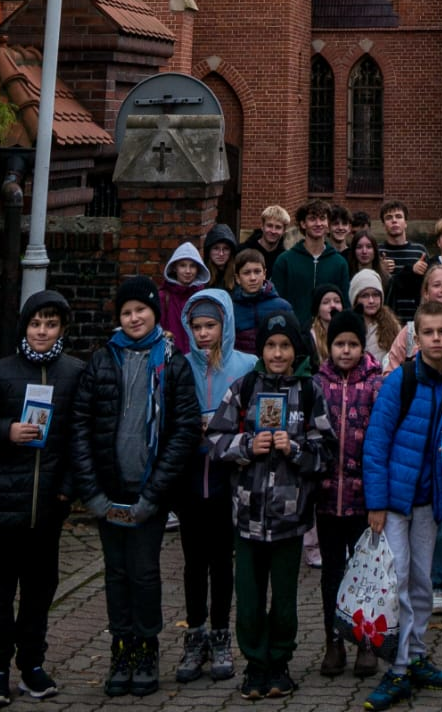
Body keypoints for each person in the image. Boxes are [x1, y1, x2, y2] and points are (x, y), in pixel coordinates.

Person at [72, 275, 203, 699]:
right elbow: (82, 427)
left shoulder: (173, 362)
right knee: (117, 573)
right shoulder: (101, 361)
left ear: (154, 314)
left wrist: (156, 495)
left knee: (144, 573)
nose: (133, 318)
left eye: (140, 311)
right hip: (109, 490)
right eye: (126, 312)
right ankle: (121, 647)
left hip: (149, 491)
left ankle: (146, 649)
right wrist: (91, 492)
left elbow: (184, 431)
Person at [0, 289, 86, 708]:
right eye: (36, 323)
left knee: (39, 590)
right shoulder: (2, 372)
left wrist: (68, 488)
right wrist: (7, 432)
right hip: (2, 505)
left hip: (48, 506)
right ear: (25, 327)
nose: (42, 331)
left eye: (51, 324)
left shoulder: (75, 373)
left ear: (62, 330)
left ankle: (32, 664)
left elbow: (78, 438)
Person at [207, 308, 332, 702]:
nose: (278, 353)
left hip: (290, 517)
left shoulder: (310, 392)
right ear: (261, 349)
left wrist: (294, 448)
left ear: (296, 350)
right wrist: (246, 445)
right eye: (271, 346)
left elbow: (326, 450)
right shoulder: (244, 388)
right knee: (248, 596)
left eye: (285, 346)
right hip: (246, 516)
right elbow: (214, 440)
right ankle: (254, 664)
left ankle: (280, 662)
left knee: (285, 600)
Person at [361, 298, 442, 710]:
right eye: (428, 333)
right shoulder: (401, 381)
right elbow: (376, 443)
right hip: (394, 500)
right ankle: (398, 667)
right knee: (400, 582)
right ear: (416, 337)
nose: (437, 339)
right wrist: (376, 502)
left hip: (431, 500)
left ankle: (418, 654)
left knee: (423, 582)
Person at [383, 265, 442, 616]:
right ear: (425, 294)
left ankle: (441, 582)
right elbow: (389, 370)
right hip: (412, 444)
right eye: (434, 284)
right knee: (413, 528)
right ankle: (401, 596)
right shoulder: (407, 335)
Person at [174, 289, 257, 686]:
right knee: (194, 562)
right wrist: (194, 429)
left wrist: (229, 431)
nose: (204, 333)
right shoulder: (179, 366)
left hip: (229, 478)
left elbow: (256, 416)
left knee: (223, 561)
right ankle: (195, 632)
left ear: (224, 325)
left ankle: (222, 634)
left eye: (211, 325)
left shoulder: (246, 365)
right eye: (197, 326)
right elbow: (169, 417)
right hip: (191, 478)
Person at [315, 308, 386, 680]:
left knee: (364, 574)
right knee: (332, 572)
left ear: (363, 346)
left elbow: (381, 444)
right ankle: (333, 641)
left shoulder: (376, 384)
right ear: (329, 345)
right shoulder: (317, 384)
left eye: (353, 344)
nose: (345, 350)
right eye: (339, 343)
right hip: (327, 497)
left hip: (363, 499)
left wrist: (379, 500)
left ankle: (366, 642)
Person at [274, 201, 352, 329]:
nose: (318, 224)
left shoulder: (339, 263)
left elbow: (345, 305)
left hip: (329, 333)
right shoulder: (285, 261)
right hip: (294, 332)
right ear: (303, 224)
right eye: (312, 219)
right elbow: (277, 303)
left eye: (322, 219)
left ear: (328, 224)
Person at [231, 247, 295, 360]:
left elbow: (294, 342)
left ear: (264, 274)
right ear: (237, 278)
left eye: (257, 272)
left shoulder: (282, 307)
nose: (253, 278)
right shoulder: (231, 309)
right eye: (246, 273)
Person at [379, 200, 431, 319]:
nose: (394, 220)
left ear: (405, 223)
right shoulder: (377, 252)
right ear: (383, 225)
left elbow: (428, 285)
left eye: (398, 216)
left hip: (416, 318)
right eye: (389, 218)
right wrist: (380, 270)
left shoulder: (420, 251)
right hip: (387, 318)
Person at [159, 242, 207, 353]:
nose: (188, 271)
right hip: (171, 358)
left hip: (197, 358)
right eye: (183, 265)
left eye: (192, 266)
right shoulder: (163, 297)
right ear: (175, 267)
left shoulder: (202, 296)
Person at [349, 267, 402, 365]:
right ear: (355, 299)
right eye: (364, 296)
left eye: (376, 295)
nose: (371, 301)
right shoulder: (347, 325)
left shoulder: (393, 326)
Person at [242, 205, 292, 273]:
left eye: (278, 227)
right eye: (269, 226)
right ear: (262, 226)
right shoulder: (243, 251)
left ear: (284, 231)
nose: (273, 231)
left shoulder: (285, 259)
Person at [308, 285, 346, 369]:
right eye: (326, 302)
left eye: (337, 301)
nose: (333, 305)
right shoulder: (309, 338)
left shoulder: (350, 333)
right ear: (317, 310)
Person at [204, 224, 240, 293]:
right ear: (209, 251)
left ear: (231, 252)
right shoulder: (202, 277)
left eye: (226, 249)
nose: (221, 254)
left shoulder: (239, 276)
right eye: (216, 248)